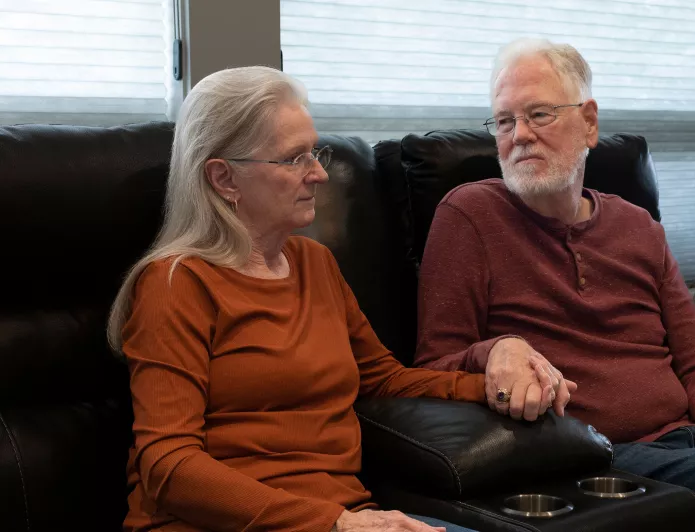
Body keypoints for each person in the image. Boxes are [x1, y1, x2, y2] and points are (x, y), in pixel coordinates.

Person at [415, 38, 695, 532]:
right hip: (609, 458)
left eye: (540, 114)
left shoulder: (638, 226)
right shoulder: (470, 216)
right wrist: (494, 352)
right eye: (505, 121)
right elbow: (430, 370)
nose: (520, 135)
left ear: (589, 122)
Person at [107, 66, 499, 532]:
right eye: (294, 159)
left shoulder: (316, 263)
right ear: (223, 178)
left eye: (315, 152)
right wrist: (333, 522)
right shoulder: (175, 285)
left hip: (346, 518)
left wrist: (495, 385)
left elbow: (385, 380)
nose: (319, 174)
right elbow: (168, 467)